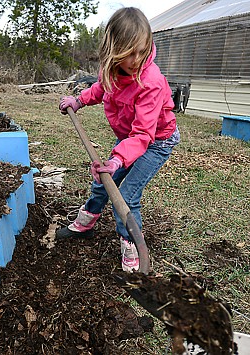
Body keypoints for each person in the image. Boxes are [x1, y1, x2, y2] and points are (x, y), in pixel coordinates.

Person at [57, 7, 180, 272]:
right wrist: (78, 101)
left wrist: (116, 160)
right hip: (129, 138)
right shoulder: (110, 70)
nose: (136, 59)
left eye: (141, 51)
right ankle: (87, 222)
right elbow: (102, 89)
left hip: (156, 141)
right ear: (114, 51)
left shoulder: (151, 81)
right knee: (104, 182)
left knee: (126, 195)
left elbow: (143, 135)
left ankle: (131, 244)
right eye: (128, 53)